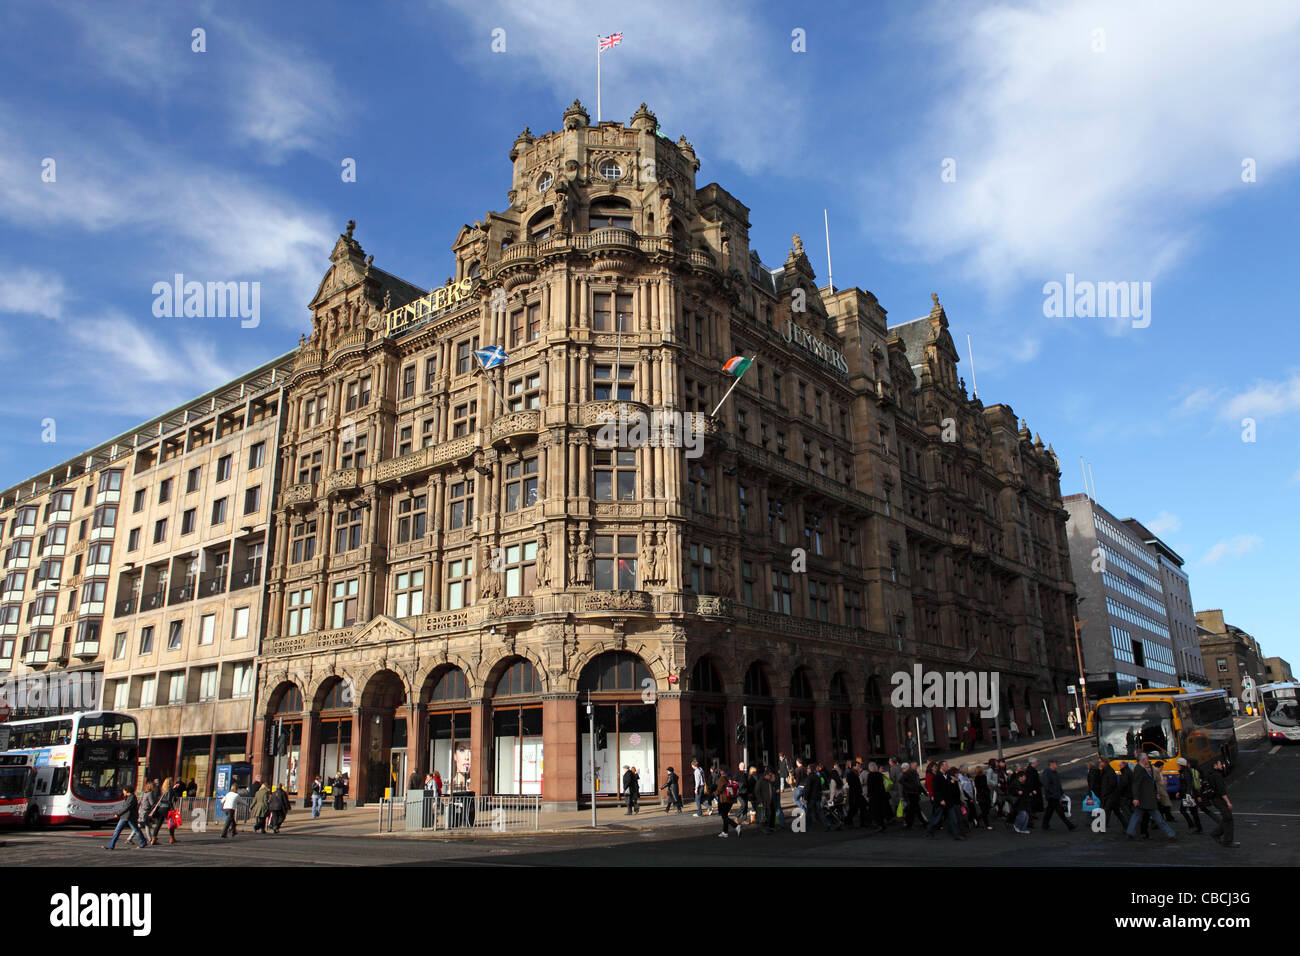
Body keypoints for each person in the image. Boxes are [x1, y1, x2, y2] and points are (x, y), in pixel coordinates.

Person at [1126, 754, 1176, 840]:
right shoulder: (1140, 769)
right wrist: (1136, 798)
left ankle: (1130, 832)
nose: (1148, 760)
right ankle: (1170, 834)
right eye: (1147, 759)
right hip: (1146, 798)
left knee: (1137, 816)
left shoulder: (1141, 768)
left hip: (1144, 798)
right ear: (1143, 760)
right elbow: (1136, 784)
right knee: (1158, 817)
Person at [1201, 756, 1237, 847]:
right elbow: (1222, 791)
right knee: (1228, 818)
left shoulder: (1210, 774)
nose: (1222, 765)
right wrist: (1228, 802)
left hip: (1214, 799)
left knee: (1226, 818)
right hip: (1218, 799)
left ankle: (1217, 834)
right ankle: (1226, 840)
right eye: (1220, 763)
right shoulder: (1217, 776)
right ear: (1215, 765)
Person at [104, 784, 148, 850]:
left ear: (127, 791)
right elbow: (125, 807)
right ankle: (111, 845)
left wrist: (118, 814)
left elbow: (126, 807)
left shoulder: (132, 797)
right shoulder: (128, 797)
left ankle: (143, 842)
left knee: (135, 830)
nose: (123, 792)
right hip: (125, 816)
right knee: (119, 830)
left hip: (129, 817)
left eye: (124, 791)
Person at [1041, 760, 1077, 831]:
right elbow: (1046, 785)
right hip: (1052, 796)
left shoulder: (1055, 772)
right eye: (1055, 764)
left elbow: (1058, 784)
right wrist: (1053, 793)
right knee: (1060, 811)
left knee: (1049, 811)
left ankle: (1044, 825)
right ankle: (1070, 826)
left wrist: (1061, 792)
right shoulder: (1047, 772)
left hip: (1056, 795)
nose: (1056, 766)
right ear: (1051, 764)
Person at [149, 776, 181, 846]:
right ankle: (171, 838)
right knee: (171, 823)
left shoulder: (164, 789)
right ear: (170, 783)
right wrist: (172, 809)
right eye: (172, 781)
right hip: (166, 808)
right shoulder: (170, 790)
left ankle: (153, 838)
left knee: (159, 823)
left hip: (160, 808)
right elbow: (170, 800)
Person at [715, 771, 741, 838]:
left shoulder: (722, 779)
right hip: (731, 799)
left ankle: (736, 826)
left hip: (724, 800)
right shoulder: (730, 778)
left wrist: (715, 794)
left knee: (724, 816)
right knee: (725, 815)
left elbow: (719, 789)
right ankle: (725, 832)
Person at [866, 762, 889, 832]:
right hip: (881, 794)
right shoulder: (879, 775)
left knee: (875, 811)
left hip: (874, 795)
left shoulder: (870, 775)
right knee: (880, 810)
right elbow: (882, 785)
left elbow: (870, 787)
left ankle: (879, 825)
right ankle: (882, 824)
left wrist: (868, 795)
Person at [900, 762, 923, 829]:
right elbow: (901, 783)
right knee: (910, 809)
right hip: (909, 794)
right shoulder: (905, 774)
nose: (916, 767)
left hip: (912, 793)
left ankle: (909, 823)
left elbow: (917, 783)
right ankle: (909, 822)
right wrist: (910, 787)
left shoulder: (912, 773)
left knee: (912, 809)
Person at [1009, 769, 1032, 834]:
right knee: (1023, 814)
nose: (1025, 778)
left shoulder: (1023, 783)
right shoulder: (1015, 783)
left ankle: (1023, 828)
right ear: (1020, 777)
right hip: (1018, 802)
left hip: (1023, 801)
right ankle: (1017, 825)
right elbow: (1011, 791)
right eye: (1024, 776)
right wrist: (1017, 792)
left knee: (1026, 815)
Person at [1023, 757, 1043, 830]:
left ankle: (1032, 815)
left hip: (1035, 788)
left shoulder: (1031, 770)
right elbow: (1030, 781)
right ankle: (1030, 819)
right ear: (1033, 763)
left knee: (1034, 802)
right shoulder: (1030, 771)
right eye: (1036, 762)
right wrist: (1032, 790)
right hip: (1033, 789)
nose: (1037, 763)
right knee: (1032, 802)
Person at [757, 768, 778, 833]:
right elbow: (757, 791)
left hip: (771, 800)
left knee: (772, 814)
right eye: (770, 775)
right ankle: (764, 828)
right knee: (764, 815)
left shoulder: (769, 781)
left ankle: (771, 827)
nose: (770, 776)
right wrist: (760, 800)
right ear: (766, 775)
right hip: (764, 801)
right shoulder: (761, 781)